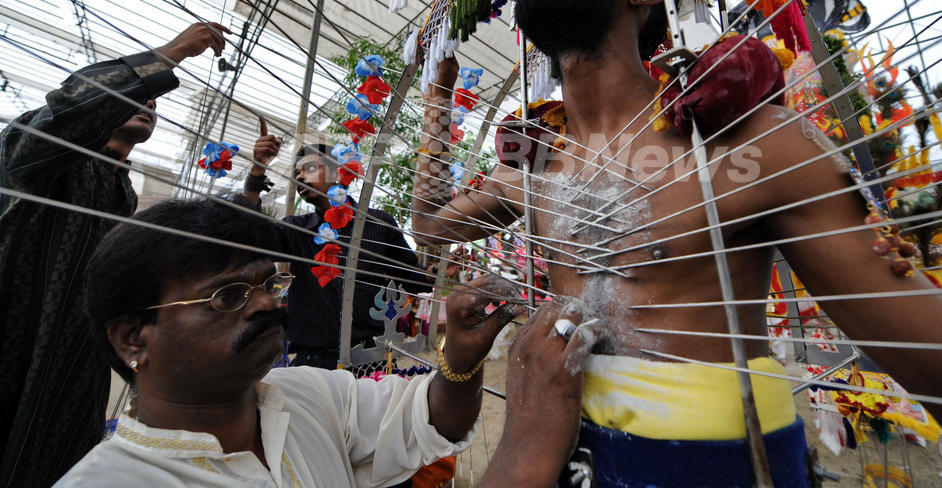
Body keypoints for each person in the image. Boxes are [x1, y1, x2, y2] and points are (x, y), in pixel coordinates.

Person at [411, 0, 942, 486]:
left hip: (723, 463)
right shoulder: (538, 157)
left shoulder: (746, 143)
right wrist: (436, 97)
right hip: (564, 451)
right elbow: (431, 227)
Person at [54, 197, 600, 487]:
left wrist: (458, 355)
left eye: (271, 283)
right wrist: (530, 443)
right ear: (133, 338)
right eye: (228, 297)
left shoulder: (302, 395)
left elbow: (431, 420)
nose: (267, 303)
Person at [0, 22, 228, 488]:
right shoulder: (44, 149)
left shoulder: (121, 191)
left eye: (154, 102)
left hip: (74, 363)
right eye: (139, 94)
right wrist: (168, 56)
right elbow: (63, 111)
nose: (149, 103)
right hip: (16, 331)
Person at [241, 133, 432, 372]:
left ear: (338, 172)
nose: (300, 176)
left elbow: (408, 276)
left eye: (309, 168)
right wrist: (258, 171)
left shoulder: (378, 223)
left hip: (371, 358)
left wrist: (432, 273)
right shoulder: (296, 229)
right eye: (296, 173)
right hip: (314, 363)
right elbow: (248, 239)